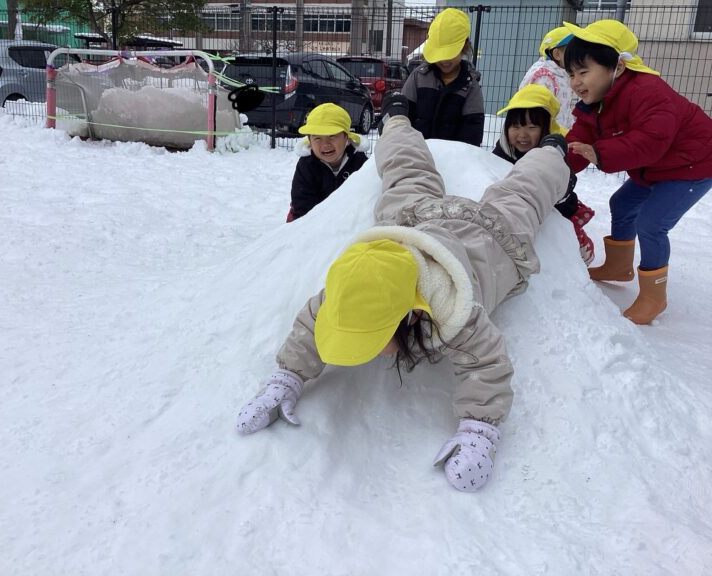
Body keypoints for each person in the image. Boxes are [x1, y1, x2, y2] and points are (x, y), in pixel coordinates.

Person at [237, 93, 570, 492]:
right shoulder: (357, 282)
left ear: (409, 315)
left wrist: (479, 430)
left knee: (523, 196)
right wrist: (286, 379)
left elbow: (487, 364)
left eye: (372, 341)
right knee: (404, 172)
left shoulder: (454, 310)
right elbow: (313, 323)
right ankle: (395, 120)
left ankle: (552, 152)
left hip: (484, 238)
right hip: (412, 224)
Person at [563, 20, 712, 324]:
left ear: (616, 68)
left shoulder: (647, 91)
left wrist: (601, 153)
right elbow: (580, 137)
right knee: (623, 204)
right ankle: (619, 267)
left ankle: (653, 297)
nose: (575, 82)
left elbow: (651, 140)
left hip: (694, 163)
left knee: (652, 223)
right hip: (657, 167)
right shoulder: (598, 101)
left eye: (583, 72)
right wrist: (557, 163)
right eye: (571, 74)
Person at [494, 84, 595, 263]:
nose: (522, 134)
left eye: (532, 127)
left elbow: (568, 179)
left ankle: (578, 252)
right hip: (521, 207)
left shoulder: (554, 153)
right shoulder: (502, 152)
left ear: (545, 128)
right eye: (515, 127)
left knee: (567, 249)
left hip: (558, 208)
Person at [400, 8, 485, 145]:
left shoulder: (469, 86)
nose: (444, 60)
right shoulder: (419, 77)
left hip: (451, 162)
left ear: (464, 46)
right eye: (440, 54)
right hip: (416, 156)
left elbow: (472, 133)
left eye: (450, 53)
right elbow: (402, 116)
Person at [287, 103, 369, 222]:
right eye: (317, 138)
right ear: (310, 141)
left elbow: (366, 198)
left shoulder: (359, 163)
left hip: (351, 218)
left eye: (332, 136)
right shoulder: (307, 166)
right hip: (314, 220)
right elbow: (302, 205)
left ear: (347, 138)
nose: (325, 144)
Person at [518, 26, 576, 131]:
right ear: (557, 54)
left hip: (559, 135)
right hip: (544, 139)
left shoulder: (562, 74)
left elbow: (565, 111)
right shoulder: (544, 78)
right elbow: (537, 115)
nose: (578, 55)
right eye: (575, 51)